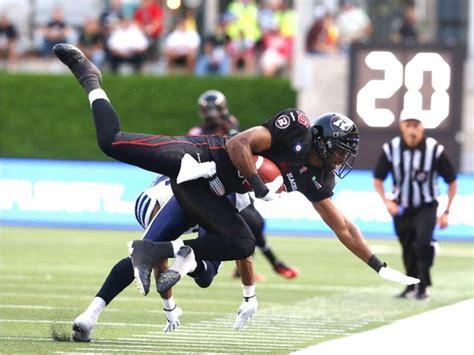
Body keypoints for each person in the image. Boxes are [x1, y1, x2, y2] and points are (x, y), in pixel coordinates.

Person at [52, 43, 418, 307]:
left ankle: (158, 251)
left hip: (213, 194)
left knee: (244, 243)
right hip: (199, 157)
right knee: (110, 143)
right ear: (322, 142)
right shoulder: (295, 127)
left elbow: (343, 227)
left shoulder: (316, 178)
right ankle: (91, 78)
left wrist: (378, 266)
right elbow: (239, 145)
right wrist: (260, 185)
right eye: (339, 150)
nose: (341, 160)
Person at [72, 174, 257, 342]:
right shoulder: (240, 194)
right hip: (181, 201)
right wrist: (249, 296)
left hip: (156, 198)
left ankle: (90, 315)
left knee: (145, 256)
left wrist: (169, 306)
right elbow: (243, 252)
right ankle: (190, 262)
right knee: (205, 270)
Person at [190, 90, 299, 279]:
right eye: (210, 110)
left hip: (234, 183)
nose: (213, 114)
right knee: (246, 226)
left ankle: (255, 267)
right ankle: (269, 264)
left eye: (216, 110)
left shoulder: (231, 125)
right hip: (211, 187)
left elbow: (237, 146)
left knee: (254, 224)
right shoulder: (197, 133)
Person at [373, 114, 457, 300]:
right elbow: (378, 179)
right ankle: (411, 286)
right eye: (408, 125)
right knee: (407, 248)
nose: (412, 129)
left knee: (421, 244)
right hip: (401, 206)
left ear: (422, 128)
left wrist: (446, 212)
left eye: (416, 125)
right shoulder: (391, 149)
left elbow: (452, 181)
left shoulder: (434, 150)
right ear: (402, 127)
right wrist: (387, 202)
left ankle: (423, 287)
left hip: (426, 206)